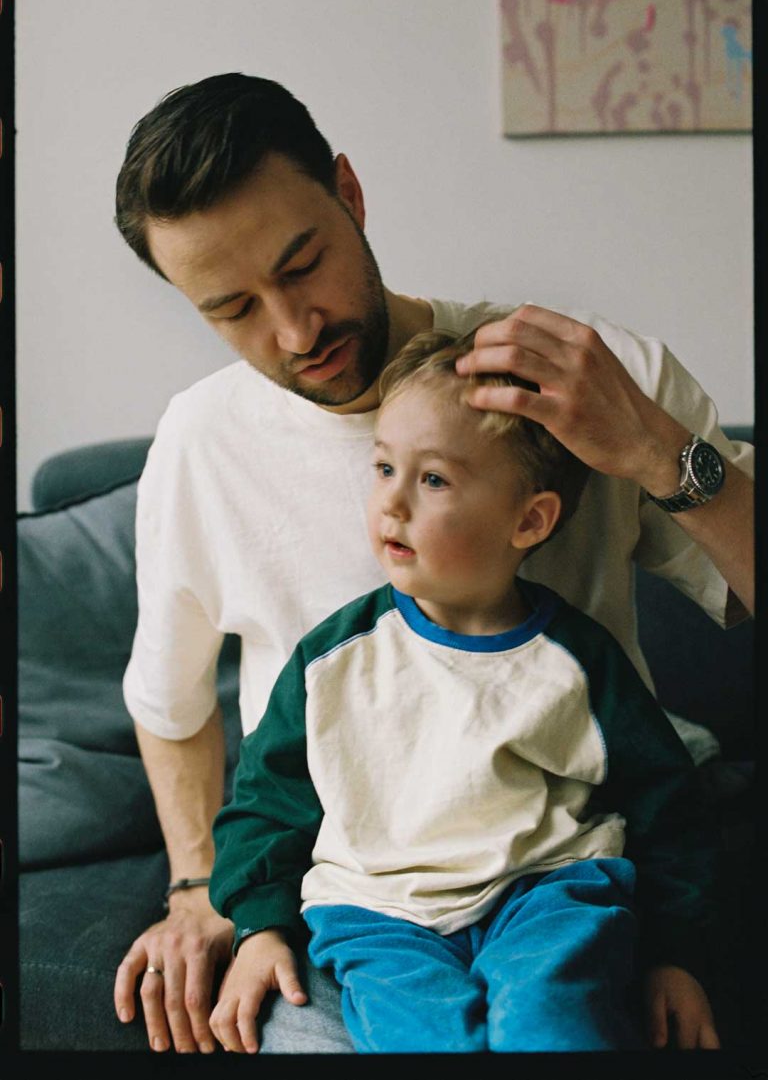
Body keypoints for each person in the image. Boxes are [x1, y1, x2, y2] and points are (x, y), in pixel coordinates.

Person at [111, 72, 754, 1054]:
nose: (293, 330)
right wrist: (202, 885)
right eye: (232, 307)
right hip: (355, 899)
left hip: (571, 877)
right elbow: (172, 702)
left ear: (351, 194)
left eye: (302, 263)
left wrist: (658, 451)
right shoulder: (202, 443)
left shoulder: (589, 376)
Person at [207, 326, 720, 1054]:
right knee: (425, 1042)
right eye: (384, 467)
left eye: (434, 479)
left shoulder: (577, 662)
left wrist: (675, 954)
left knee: (554, 1027)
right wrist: (259, 926)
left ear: (530, 519)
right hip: (381, 914)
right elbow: (264, 800)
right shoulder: (335, 660)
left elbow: (667, 805)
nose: (393, 503)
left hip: (548, 894)